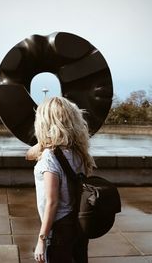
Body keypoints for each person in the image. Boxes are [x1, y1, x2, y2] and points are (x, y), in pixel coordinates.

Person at [26, 96, 96, 263]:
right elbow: (29, 154)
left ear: (44, 122)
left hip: (59, 229)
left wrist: (41, 240)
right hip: (77, 224)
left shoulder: (49, 158)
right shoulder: (78, 152)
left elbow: (52, 202)